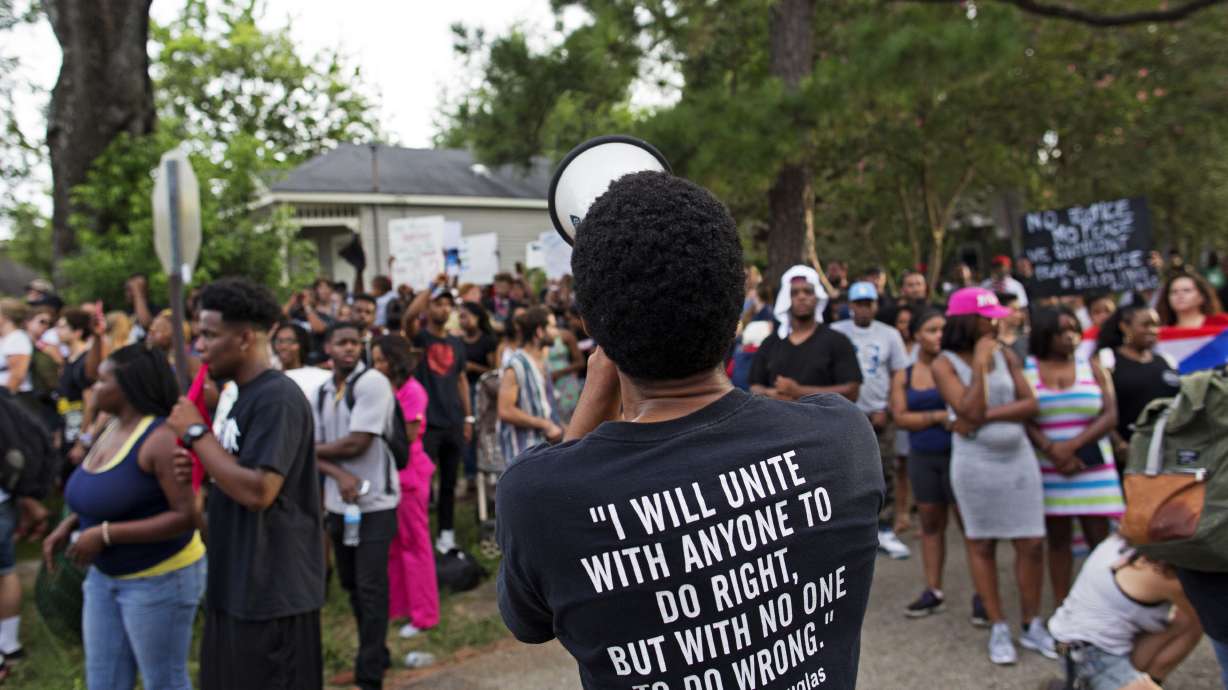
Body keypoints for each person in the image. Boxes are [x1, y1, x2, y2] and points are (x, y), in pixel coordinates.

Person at [496, 171, 883, 690]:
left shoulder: (535, 497)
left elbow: (528, 622)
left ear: (590, 326)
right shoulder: (843, 440)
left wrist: (591, 401)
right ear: (737, 313)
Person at [166, 278, 325, 690]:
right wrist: (203, 469)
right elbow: (232, 479)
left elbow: (259, 491)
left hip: (272, 594)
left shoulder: (277, 397)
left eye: (209, 335)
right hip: (235, 583)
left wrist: (197, 435)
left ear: (244, 338)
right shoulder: (240, 397)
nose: (199, 347)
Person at [45, 345, 205, 690]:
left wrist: (104, 534)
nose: (94, 387)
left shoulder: (160, 440)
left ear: (128, 387)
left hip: (158, 579)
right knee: (104, 680)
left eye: (103, 381)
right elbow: (109, 494)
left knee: (164, 681)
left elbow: (185, 516)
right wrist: (72, 523)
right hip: (104, 577)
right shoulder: (111, 426)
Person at [932, 287, 1051, 665]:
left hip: (1018, 460)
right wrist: (981, 366)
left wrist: (981, 418)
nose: (997, 323)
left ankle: (1031, 623)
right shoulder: (945, 363)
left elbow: (1030, 404)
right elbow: (967, 407)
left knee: (1032, 542)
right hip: (976, 464)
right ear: (969, 321)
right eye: (989, 318)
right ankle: (998, 624)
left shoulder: (1008, 355)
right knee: (982, 543)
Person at [314, 322, 400, 690]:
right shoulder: (322, 391)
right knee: (350, 583)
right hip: (339, 504)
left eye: (354, 342)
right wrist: (336, 473)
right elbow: (319, 450)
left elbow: (357, 442)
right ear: (328, 348)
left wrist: (306, 451)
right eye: (341, 343)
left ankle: (369, 674)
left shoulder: (373, 383)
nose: (349, 348)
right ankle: (377, 652)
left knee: (370, 586)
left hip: (376, 501)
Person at [1023, 307, 1124, 605]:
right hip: (1050, 467)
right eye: (1061, 331)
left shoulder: (1092, 367)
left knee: (1100, 541)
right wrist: (1050, 448)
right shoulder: (1027, 369)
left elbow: (1110, 415)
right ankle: (1062, 605)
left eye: (1074, 330)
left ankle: (1104, 605)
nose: (1070, 337)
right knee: (1058, 541)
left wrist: (1071, 446)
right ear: (1045, 335)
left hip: (1092, 467)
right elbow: (1024, 417)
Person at [1046, 534, 1204, 690]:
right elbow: (1207, 614)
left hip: (1062, 641)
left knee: (1191, 622)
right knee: (1197, 619)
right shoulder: (1164, 577)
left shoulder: (1119, 540)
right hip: (1083, 652)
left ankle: (1142, 681)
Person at [832, 282, 912, 560]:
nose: (864, 308)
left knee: (884, 469)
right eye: (859, 303)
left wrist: (888, 407)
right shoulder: (837, 331)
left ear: (875, 305)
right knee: (846, 472)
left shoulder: (889, 334)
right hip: (845, 415)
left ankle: (885, 528)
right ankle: (851, 530)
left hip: (879, 413)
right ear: (851, 305)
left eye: (869, 303)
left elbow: (899, 373)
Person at [371, 335, 439, 643]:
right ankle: (400, 607)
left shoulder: (412, 391)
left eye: (381, 360)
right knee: (395, 545)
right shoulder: (384, 388)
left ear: (395, 360)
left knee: (415, 545)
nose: (376, 366)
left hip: (410, 474)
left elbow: (407, 436)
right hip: (389, 474)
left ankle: (424, 614)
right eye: (374, 360)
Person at [891, 309, 958, 618]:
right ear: (917, 335)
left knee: (970, 528)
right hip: (923, 457)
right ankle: (934, 590)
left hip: (958, 456)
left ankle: (984, 597)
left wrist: (923, 418)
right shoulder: (904, 374)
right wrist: (939, 416)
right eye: (931, 330)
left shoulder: (956, 367)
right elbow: (900, 417)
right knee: (930, 523)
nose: (939, 336)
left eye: (943, 329)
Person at [404, 282, 472, 554]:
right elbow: (409, 317)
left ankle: (446, 535)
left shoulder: (456, 343)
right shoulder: (419, 339)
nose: (443, 309)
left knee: (449, 483)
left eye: (447, 304)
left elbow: (461, 379)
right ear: (428, 307)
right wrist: (431, 286)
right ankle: (419, 537)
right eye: (437, 303)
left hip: (453, 422)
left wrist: (468, 418)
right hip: (427, 425)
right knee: (422, 484)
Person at [749, 265, 862, 403]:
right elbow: (754, 386)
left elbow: (852, 392)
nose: (801, 297)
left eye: (808, 291)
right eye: (794, 293)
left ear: (817, 296)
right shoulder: (770, 343)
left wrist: (799, 391)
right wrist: (770, 394)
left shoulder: (838, 341)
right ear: (786, 299)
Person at [498, 307, 564, 463]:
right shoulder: (516, 365)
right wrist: (544, 424)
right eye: (552, 326)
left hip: (543, 450)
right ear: (539, 331)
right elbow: (505, 410)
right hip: (522, 454)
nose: (557, 332)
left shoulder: (542, 363)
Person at [272, 321, 330, 400]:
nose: (283, 346)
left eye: (289, 341)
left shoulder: (318, 376)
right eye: (279, 341)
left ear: (302, 343)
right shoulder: (269, 377)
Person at [1155, 272, 1228, 329]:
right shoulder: (1161, 330)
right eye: (1174, 292)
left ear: (1202, 297)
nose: (1180, 295)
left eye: (1187, 290)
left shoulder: (1222, 323)